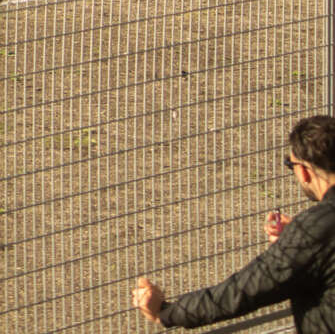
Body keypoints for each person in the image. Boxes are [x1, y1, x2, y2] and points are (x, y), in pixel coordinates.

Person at [134, 115, 335, 331]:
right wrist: (298, 236)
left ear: (304, 171)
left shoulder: (314, 232)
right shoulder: (316, 231)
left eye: (290, 164)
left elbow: (243, 290)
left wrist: (166, 311)